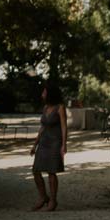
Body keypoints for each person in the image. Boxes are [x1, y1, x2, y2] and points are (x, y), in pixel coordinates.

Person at [29, 82, 67, 211]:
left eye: (44, 92)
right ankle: (43, 197)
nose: (42, 94)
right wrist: (35, 144)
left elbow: (64, 126)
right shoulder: (45, 108)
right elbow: (42, 127)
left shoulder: (60, 107)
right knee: (36, 170)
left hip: (55, 142)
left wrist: (64, 145)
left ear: (50, 94)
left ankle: (53, 200)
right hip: (44, 142)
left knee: (51, 171)